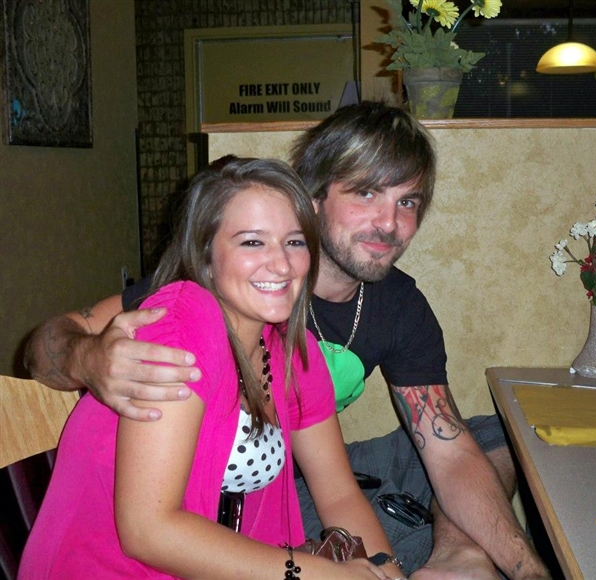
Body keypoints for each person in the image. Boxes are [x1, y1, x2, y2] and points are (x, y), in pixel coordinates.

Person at [25, 103, 548, 580]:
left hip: (256, 509)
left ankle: (460, 558)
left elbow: (358, 484)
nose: (389, 223)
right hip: (138, 552)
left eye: (406, 201)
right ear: (314, 201)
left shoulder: (299, 345)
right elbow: (148, 529)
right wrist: (86, 356)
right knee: (402, 541)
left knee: (494, 434)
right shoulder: (184, 314)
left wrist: (520, 570)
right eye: (366, 192)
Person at [19, 156, 404, 580]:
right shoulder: (181, 323)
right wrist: (316, 574)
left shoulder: (292, 352)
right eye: (252, 242)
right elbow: (148, 531)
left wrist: (386, 570)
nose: (282, 264)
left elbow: (339, 494)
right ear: (205, 255)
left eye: (294, 242)